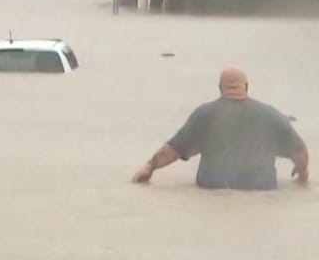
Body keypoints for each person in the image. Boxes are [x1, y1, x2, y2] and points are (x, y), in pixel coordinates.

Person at [132, 66, 308, 190]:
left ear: (219, 88)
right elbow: (300, 152)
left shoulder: (204, 115)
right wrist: (302, 174)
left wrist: (149, 168)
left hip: (213, 188)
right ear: (246, 86)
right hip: (262, 189)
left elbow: (172, 151)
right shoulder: (271, 115)